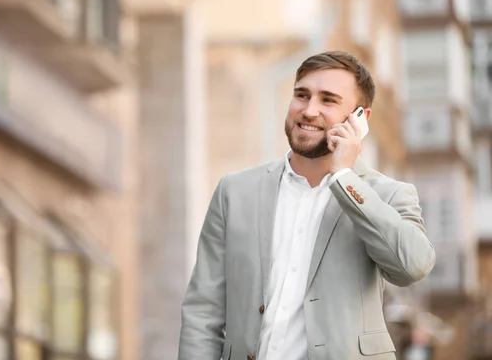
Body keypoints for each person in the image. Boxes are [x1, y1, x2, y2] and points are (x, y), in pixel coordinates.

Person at [177, 51, 435, 360]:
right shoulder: (235, 191)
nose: (309, 110)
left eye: (328, 100)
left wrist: (344, 177)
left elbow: (412, 266)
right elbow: (203, 311)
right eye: (302, 95)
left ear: (359, 119)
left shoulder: (387, 195)